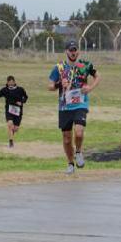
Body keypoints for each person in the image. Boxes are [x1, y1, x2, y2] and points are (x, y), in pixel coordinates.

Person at [47, 39, 100, 174]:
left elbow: (98, 76)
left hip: (80, 104)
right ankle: (70, 163)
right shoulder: (59, 67)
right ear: (66, 51)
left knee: (79, 131)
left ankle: (78, 152)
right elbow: (50, 86)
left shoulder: (86, 65)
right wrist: (59, 84)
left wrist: (90, 87)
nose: (73, 52)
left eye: (75, 49)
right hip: (64, 106)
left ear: (78, 51)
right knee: (66, 138)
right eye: (70, 50)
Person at [0, 75, 28, 148]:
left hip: (18, 110)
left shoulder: (20, 89)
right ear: (7, 82)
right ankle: (11, 142)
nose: (11, 84)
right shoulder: (5, 90)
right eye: (9, 82)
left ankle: (11, 136)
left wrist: (21, 102)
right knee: (10, 124)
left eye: (12, 82)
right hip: (9, 110)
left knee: (15, 129)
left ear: (15, 82)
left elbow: (26, 97)